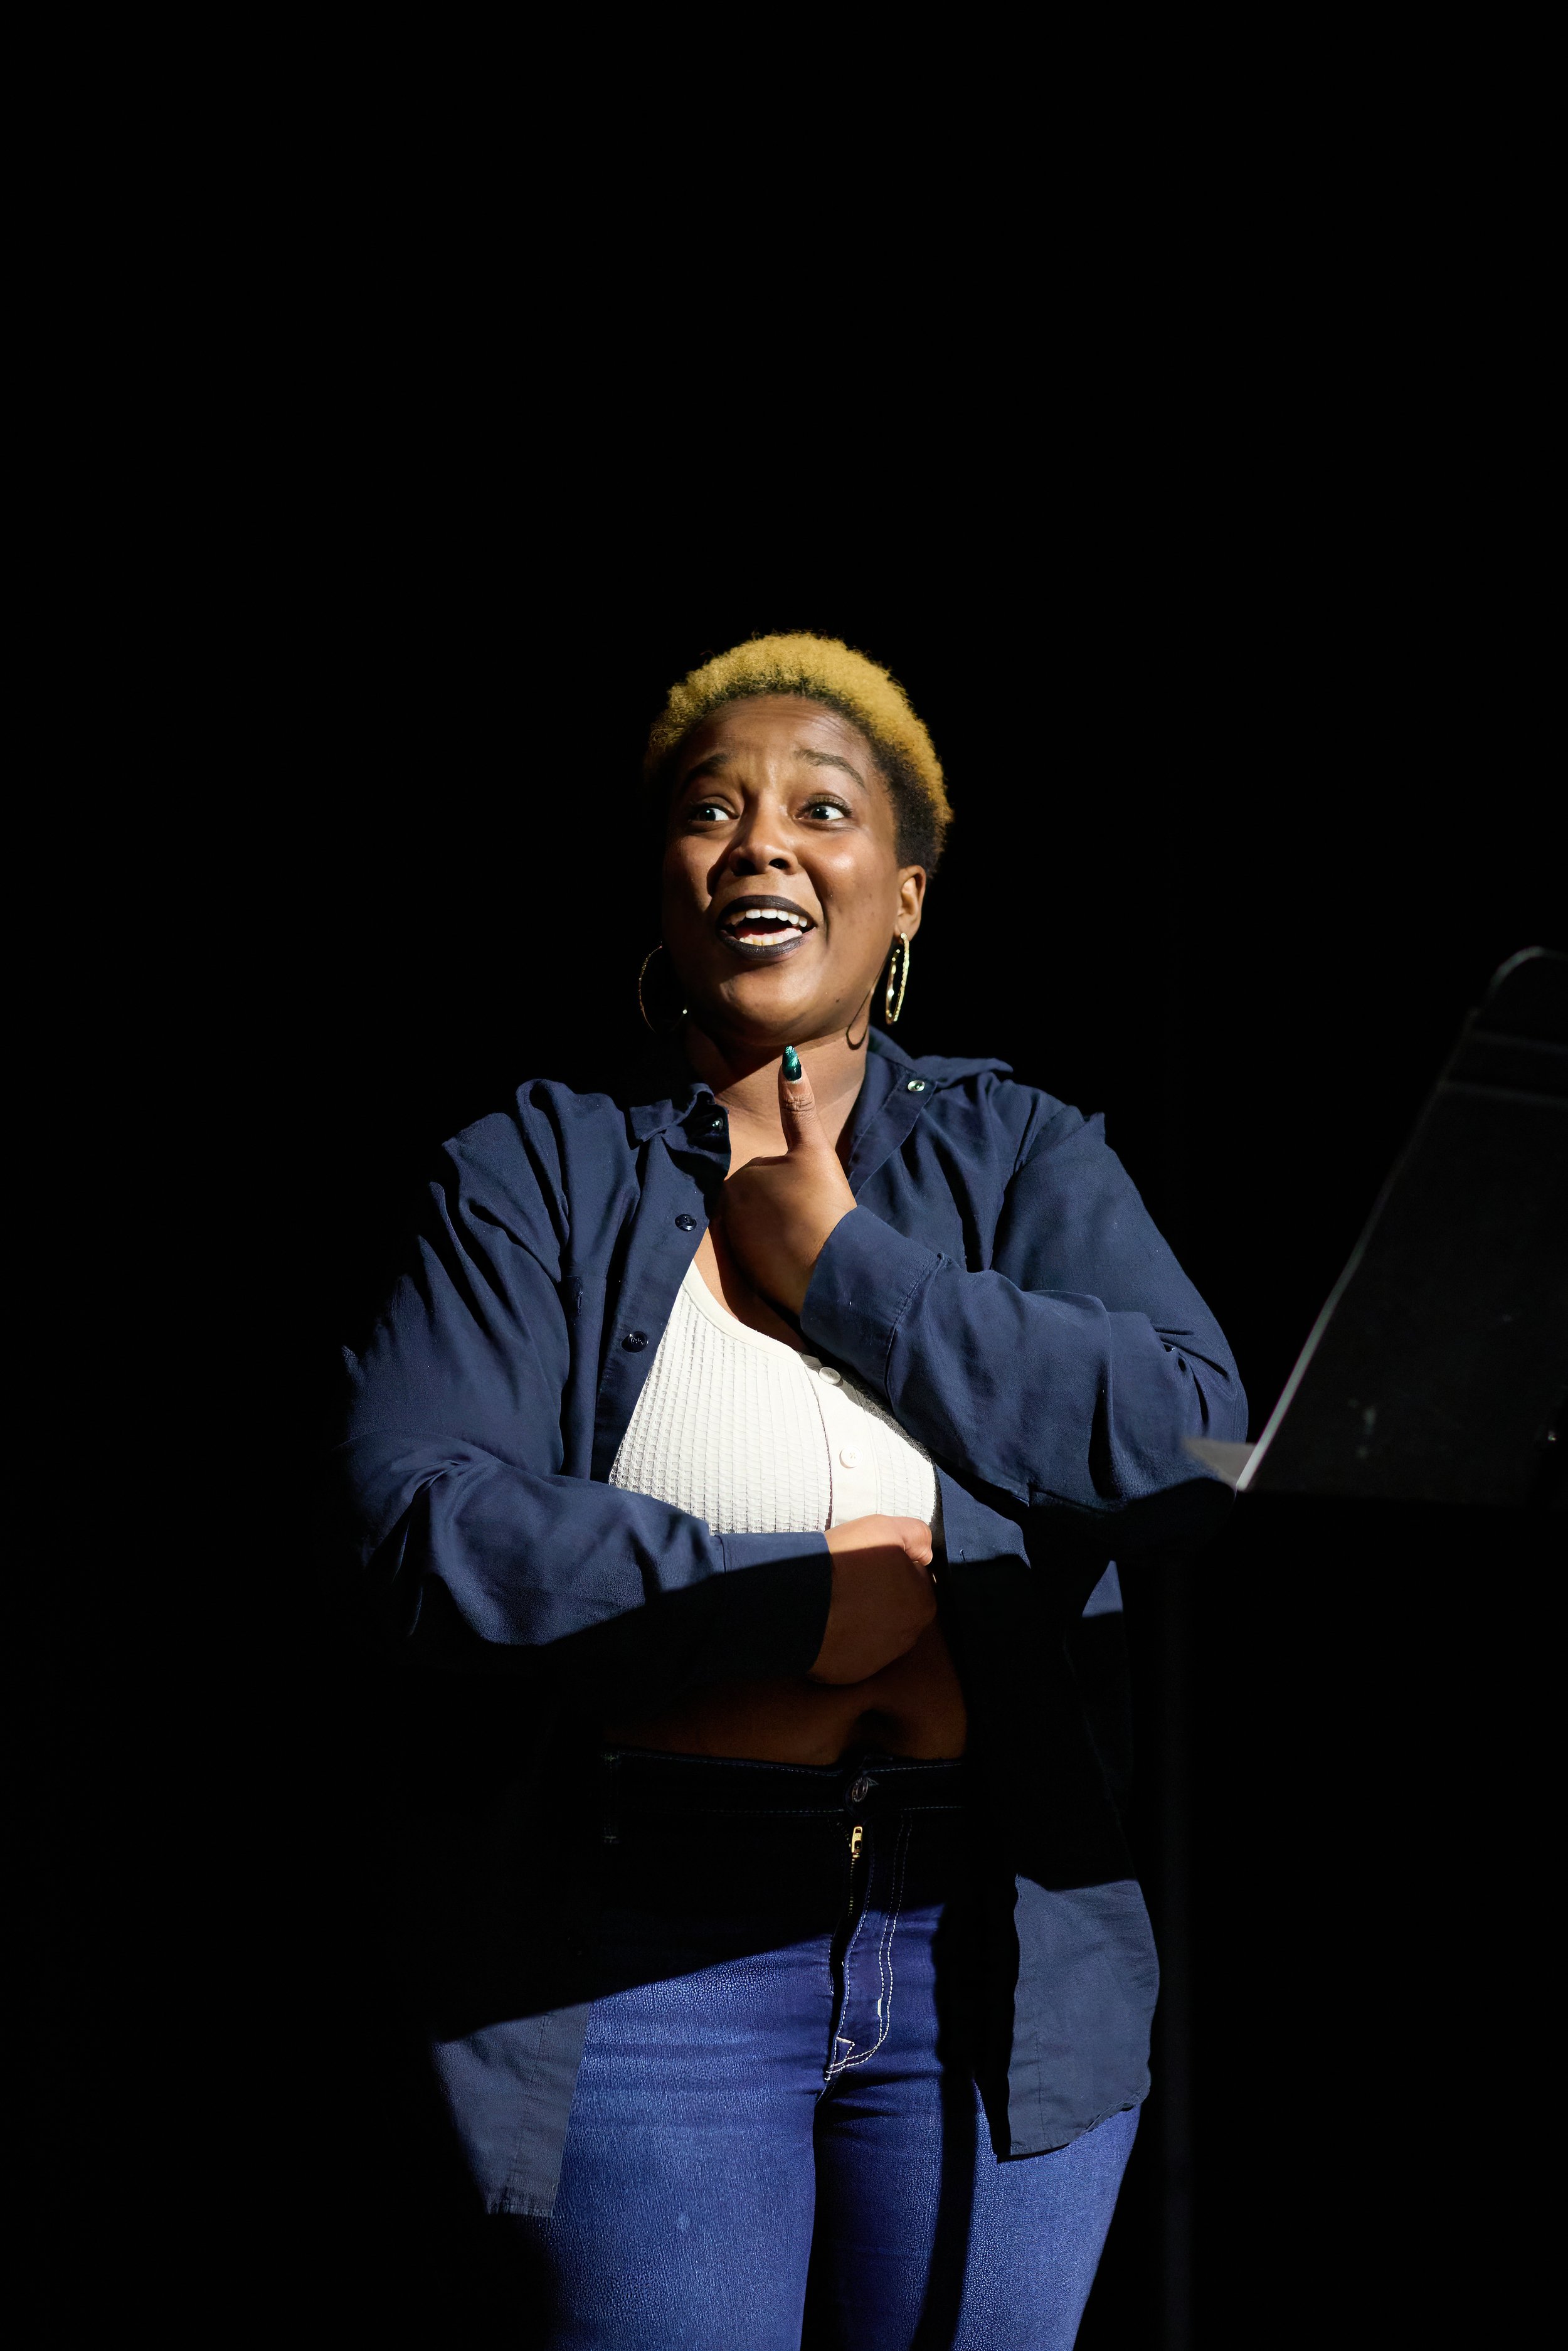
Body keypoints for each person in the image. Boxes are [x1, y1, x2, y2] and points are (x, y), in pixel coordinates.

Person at [337, 633, 1246, 2348]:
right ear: (665, 885)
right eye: (711, 810)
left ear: (902, 899)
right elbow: (420, 1524)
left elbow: (1192, 1445)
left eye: (821, 809)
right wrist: (791, 1598)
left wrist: (844, 1269)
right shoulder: (533, 1171)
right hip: (645, 1947)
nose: (759, 839)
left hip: (995, 1936)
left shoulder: (1024, 1152)